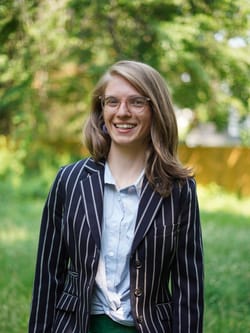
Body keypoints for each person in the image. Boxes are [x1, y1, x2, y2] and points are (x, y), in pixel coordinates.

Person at [28, 60, 204, 333]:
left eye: (136, 102)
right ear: (101, 110)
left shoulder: (179, 190)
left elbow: (188, 287)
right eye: (112, 102)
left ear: (155, 110)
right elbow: (47, 276)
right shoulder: (69, 181)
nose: (122, 112)